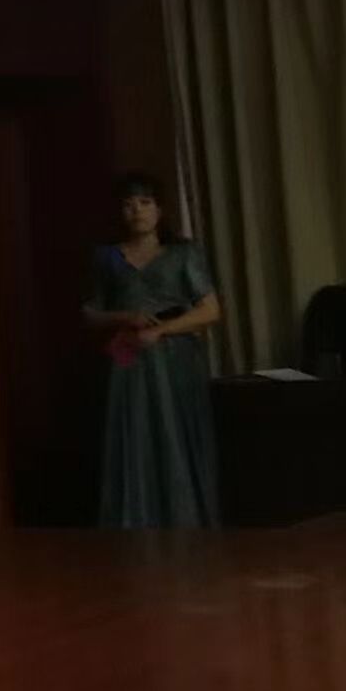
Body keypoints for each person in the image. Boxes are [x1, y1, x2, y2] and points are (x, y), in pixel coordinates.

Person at [84, 173, 223, 528]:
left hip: (175, 359)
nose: (137, 211)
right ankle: (134, 522)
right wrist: (126, 316)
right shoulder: (109, 257)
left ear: (159, 210)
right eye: (128, 205)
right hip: (128, 359)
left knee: (174, 433)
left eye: (145, 203)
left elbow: (210, 310)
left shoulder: (183, 253)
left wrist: (161, 330)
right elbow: (90, 313)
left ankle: (186, 519)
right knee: (132, 434)